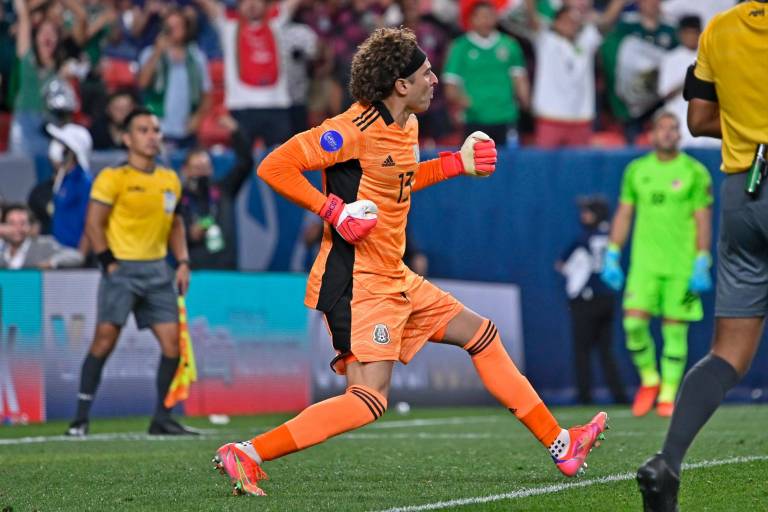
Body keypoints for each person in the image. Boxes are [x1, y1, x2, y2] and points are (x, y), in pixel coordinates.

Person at [212, 27, 608, 497]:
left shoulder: (408, 125)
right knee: (367, 400)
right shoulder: (348, 130)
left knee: (481, 335)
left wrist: (455, 164)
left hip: (394, 273)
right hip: (359, 281)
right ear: (401, 84)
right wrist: (333, 210)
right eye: (426, 73)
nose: (435, 80)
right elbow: (274, 166)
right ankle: (248, 452)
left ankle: (561, 444)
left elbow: (400, 181)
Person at [636, 3, 768, 509]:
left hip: (742, 193)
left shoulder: (719, 29)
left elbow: (697, 118)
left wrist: (746, 135)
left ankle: (667, 460)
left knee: (726, 355)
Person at [65, 107, 194, 437]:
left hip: (157, 271)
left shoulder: (169, 179)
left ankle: (161, 418)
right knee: (104, 340)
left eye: (155, 129)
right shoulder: (113, 178)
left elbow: (176, 223)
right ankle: (80, 418)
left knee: (172, 346)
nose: (153, 136)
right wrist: (108, 262)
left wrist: (182, 260)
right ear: (126, 138)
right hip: (122, 268)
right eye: (143, 130)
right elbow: (94, 223)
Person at [601, 111, 713, 418]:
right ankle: (650, 380)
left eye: (672, 128)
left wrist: (703, 259)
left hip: (681, 266)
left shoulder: (695, 172)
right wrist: (612, 252)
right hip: (644, 265)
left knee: (675, 332)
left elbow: (703, 218)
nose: (667, 133)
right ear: (651, 135)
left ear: (679, 135)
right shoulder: (637, 171)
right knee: (633, 324)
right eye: (661, 128)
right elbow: (624, 213)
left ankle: (667, 395)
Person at [556, 196, 627, 404]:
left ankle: (585, 396)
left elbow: (562, 264)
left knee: (582, 350)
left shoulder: (584, 239)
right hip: (608, 297)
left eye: (587, 211)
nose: (583, 215)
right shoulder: (613, 236)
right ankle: (619, 395)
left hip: (587, 299)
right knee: (606, 350)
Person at [443, 1, 530, 147]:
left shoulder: (510, 45)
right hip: (474, 119)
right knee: (476, 165)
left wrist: (525, 102)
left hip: (506, 116)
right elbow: (450, 84)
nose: (486, 21)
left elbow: (520, 78)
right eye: (482, 16)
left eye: (490, 16)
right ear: (471, 19)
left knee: (506, 164)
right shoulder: (460, 47)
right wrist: (467, 104)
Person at [179, 115, 253, 269]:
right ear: (185, 171)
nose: (201, 173)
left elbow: (246, 162)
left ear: (212, 169)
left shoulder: (224, 189)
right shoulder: (178, 198)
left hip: (226, 269)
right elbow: (165, 233)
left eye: (205, 168)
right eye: (197, 168)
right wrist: (189, 234)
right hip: (196, 271)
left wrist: (236, 132)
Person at [137, 6, 212, 149]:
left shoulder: (197, 57)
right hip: (157, 128)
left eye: (178, 26)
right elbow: (142, 83)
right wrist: (158, 52)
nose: (173, 30)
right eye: (169, 26)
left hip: (186, 129)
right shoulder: (149, 54)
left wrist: (197, 117)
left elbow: (207, 95)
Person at [657, 15, 719, 149]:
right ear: (681, 34)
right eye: (688, 33)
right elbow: (664, 93)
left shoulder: (710, 56)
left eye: (694, 33)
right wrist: (692, 80)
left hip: (706, 116)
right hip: (678, 118)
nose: (691, 36)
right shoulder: (670, 58)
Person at [0, 204, 83, 269]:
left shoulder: (43, 245)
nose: (17, 228)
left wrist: (51, 262)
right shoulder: (1, 247)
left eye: (22, 224)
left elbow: (76, 256)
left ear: (30, 226)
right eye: (11, 224)